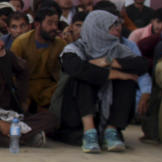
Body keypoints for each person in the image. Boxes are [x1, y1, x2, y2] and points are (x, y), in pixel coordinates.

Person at [51, 10, 150, 152]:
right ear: (97, 29)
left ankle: (112, 130)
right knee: (85, 77)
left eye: (117, 26)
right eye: (111, 27)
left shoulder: (119, 49)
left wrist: (108, 61)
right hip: (74, 113)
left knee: (127, 81)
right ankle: (89, 132)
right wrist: (114, 74)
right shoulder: (75, 48)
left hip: (107, 109)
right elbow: (76, 68)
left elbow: (142, 65)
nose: (117, 30)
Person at [9, 6, 65, 112]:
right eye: (49, 23)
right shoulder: (20, 43)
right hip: (27, 90)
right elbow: (13, 76)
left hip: (50, 90)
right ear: (37, 25)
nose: (54, 27)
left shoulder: (60, 44)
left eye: (56, 23)